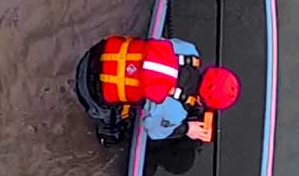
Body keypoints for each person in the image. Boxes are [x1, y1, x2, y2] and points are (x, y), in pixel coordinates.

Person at [73, 34, 240, 147]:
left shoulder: (189, 51)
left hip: (97, 53)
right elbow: (153, 130)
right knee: (114, 133)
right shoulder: (175, 111)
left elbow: (158, 43)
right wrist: (188, 129)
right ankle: (105, 132)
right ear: (204, 102)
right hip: (88, 90)